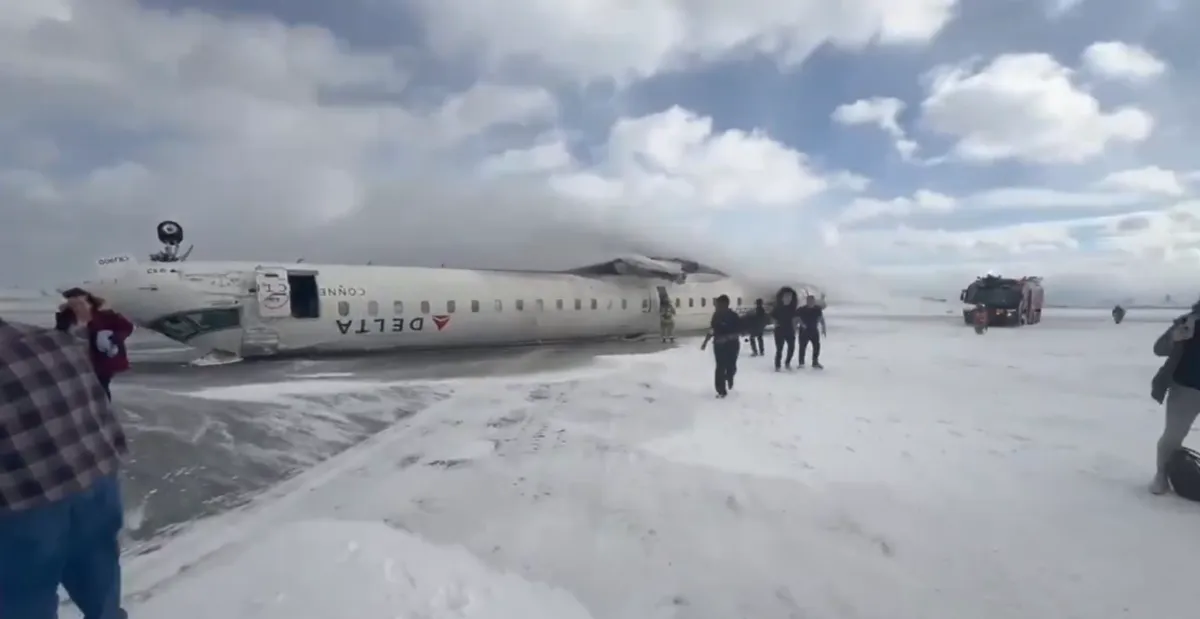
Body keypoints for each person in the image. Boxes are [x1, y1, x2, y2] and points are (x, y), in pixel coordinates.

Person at [0, 317, 131, 619]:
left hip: (24, 506)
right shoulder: (55, 341)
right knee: (100, 580)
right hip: (96, 481)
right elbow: (100, 409)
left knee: (22, 600)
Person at [1149, 304, 1200, 495]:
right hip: (1185, 389)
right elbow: (1159, 349)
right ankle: (1161, 477)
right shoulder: (1189, 321)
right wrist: (1174, 338)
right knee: (1172, 437)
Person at [55, 288, 134, 400]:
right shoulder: (66, 317)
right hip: (76, 360)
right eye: (73, 304)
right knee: (81, 391)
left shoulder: (106, 314)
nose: (77, 307)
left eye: (80, 303)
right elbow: (58, 335)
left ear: (88, 300)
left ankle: (105, 413)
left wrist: (112, 337)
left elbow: (127, 327)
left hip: (101, 361)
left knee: (101, 388)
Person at [701, 295, 742, 398]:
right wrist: (706, 341)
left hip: (732, 345)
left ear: (726, 305)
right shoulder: (716, 316)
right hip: (719, 345)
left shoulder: (734, 316)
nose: (717, 307)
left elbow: (738, 332)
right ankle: (721, 391)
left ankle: (729, 377)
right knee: (720, 367)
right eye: (717, 305)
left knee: (731, 366)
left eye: (719, 305)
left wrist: (727, 338)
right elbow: (712, 329)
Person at [770, 286, 800, 371]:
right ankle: (777, 365)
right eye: (786, 296)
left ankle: (787, 362)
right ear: (782, 297)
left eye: (790, 296)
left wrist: (796, 326)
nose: (788, 298)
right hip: (779, 330)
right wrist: (775, 322)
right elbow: (772, 317)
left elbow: (796, 318)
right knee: (779, 349)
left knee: (791, 348)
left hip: (790, 330)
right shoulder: (777, 308)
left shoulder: (793, 308)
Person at [796, 294, 826, 369]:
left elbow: (821, 318)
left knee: (816, 347)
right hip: (804, 331)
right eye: (809, 301)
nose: (810, 302)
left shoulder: (817, 309)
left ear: (814, 301)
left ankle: (815, 362)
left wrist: (823, 328)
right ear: (807, 301)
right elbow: (796, 318)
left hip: (813, 330)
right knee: (802, 347)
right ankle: (801, 363)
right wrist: (801, 324)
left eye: (812, 301)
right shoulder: (801, 309)